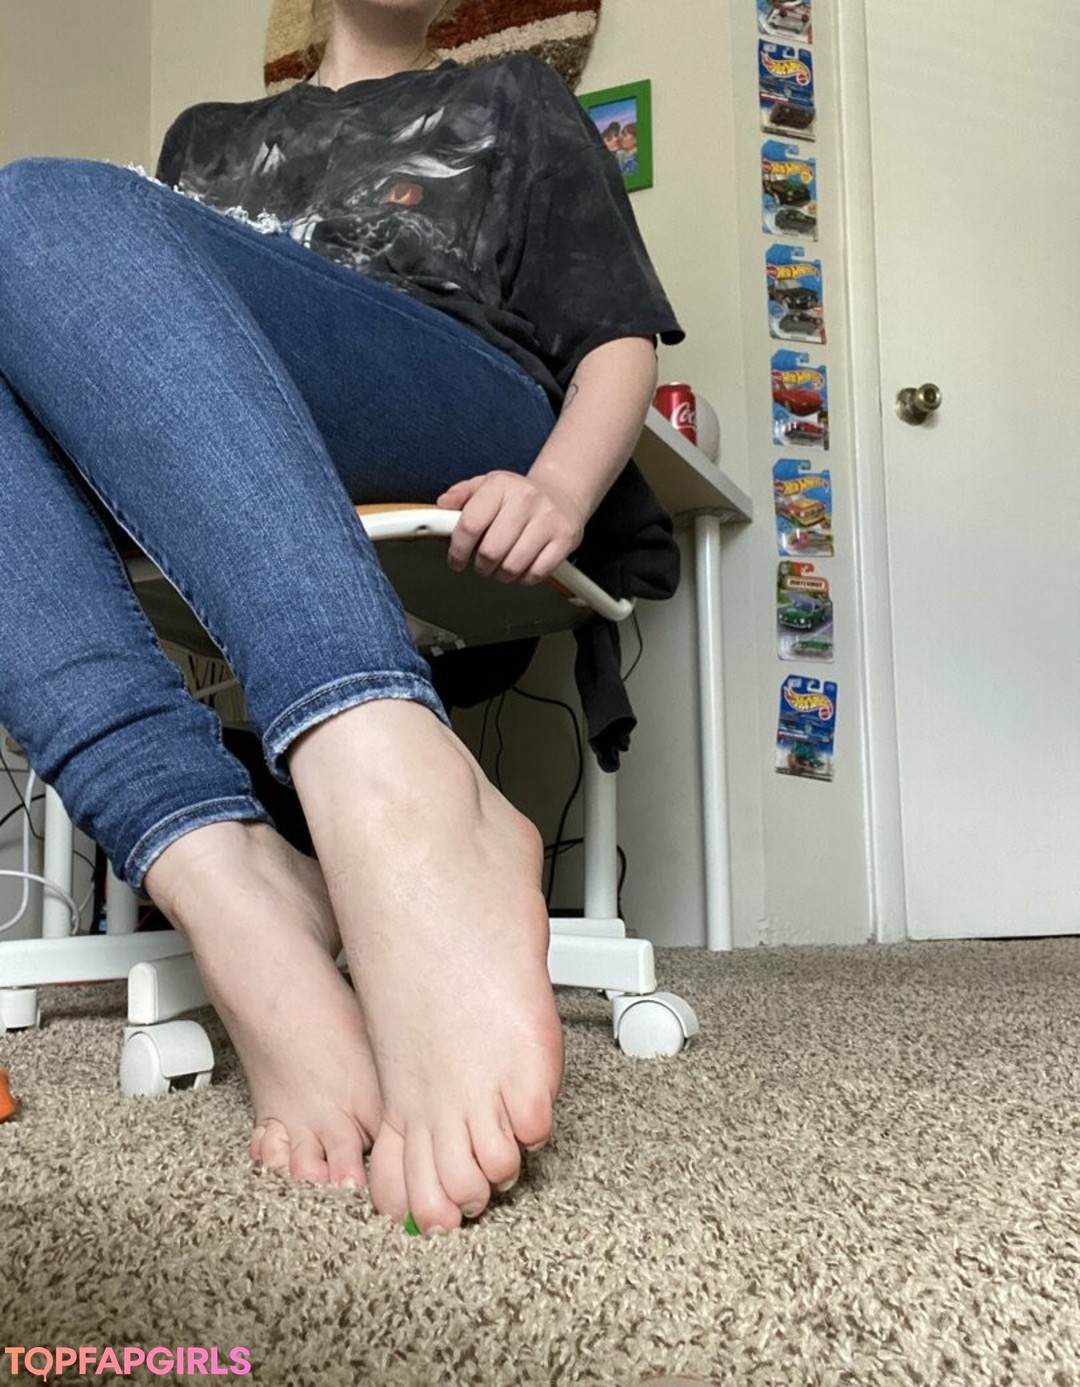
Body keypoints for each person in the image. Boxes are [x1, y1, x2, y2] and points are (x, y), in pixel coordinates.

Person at [0, 0, 683, 1234]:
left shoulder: (511, 99)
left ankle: (394, 782)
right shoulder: (210, 134)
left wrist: (560, 487)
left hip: (445, 390)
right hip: (239, 419)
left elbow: (615, 340)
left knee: (36, 208)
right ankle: (223, 871)